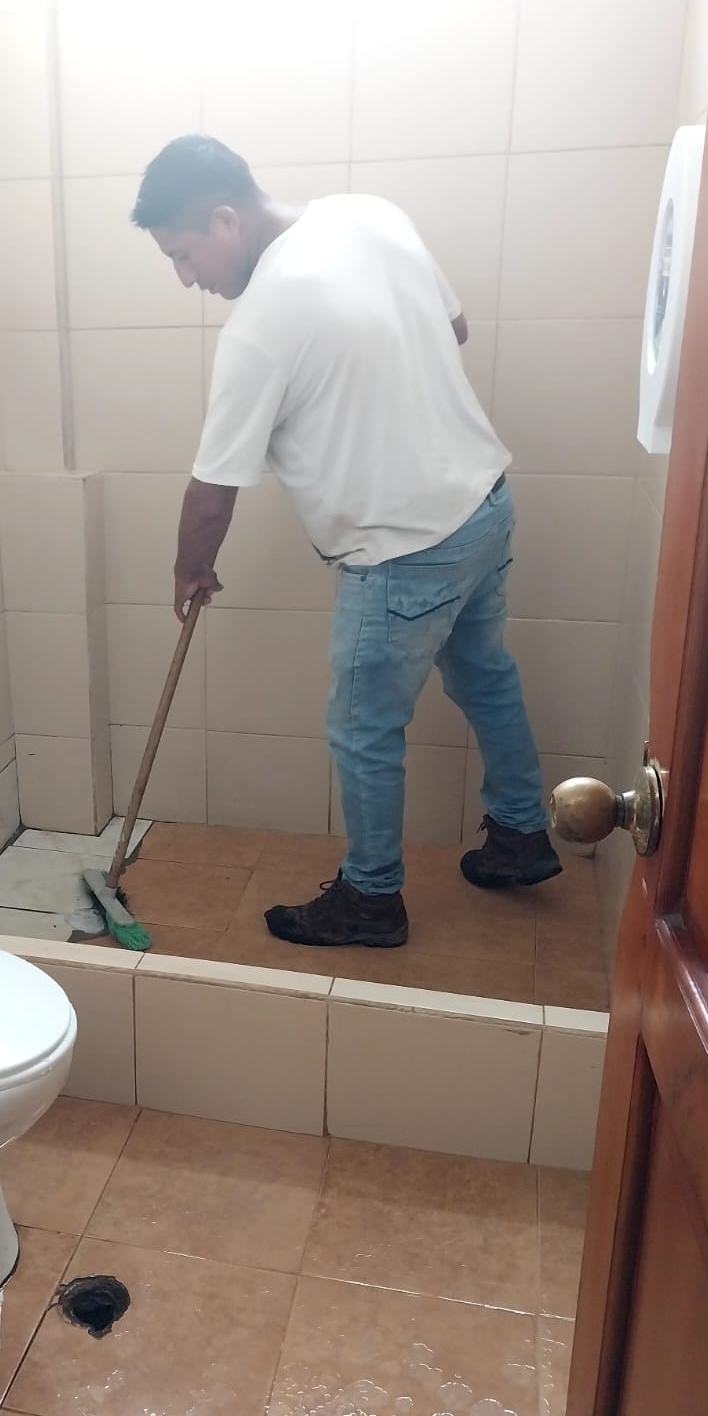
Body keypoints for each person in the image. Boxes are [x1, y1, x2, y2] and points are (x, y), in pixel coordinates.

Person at [131, 135, 561, 950]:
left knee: (363, 726)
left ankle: (370, 898)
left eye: (184, 254)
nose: (187, 278)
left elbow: (212, 491)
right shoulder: (369, 215)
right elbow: (455, 327)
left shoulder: (259, 325)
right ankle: (519, 833)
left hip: (403, 549)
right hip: (483, 503)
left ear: (225, 220)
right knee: (484, 673)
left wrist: (190, 568)